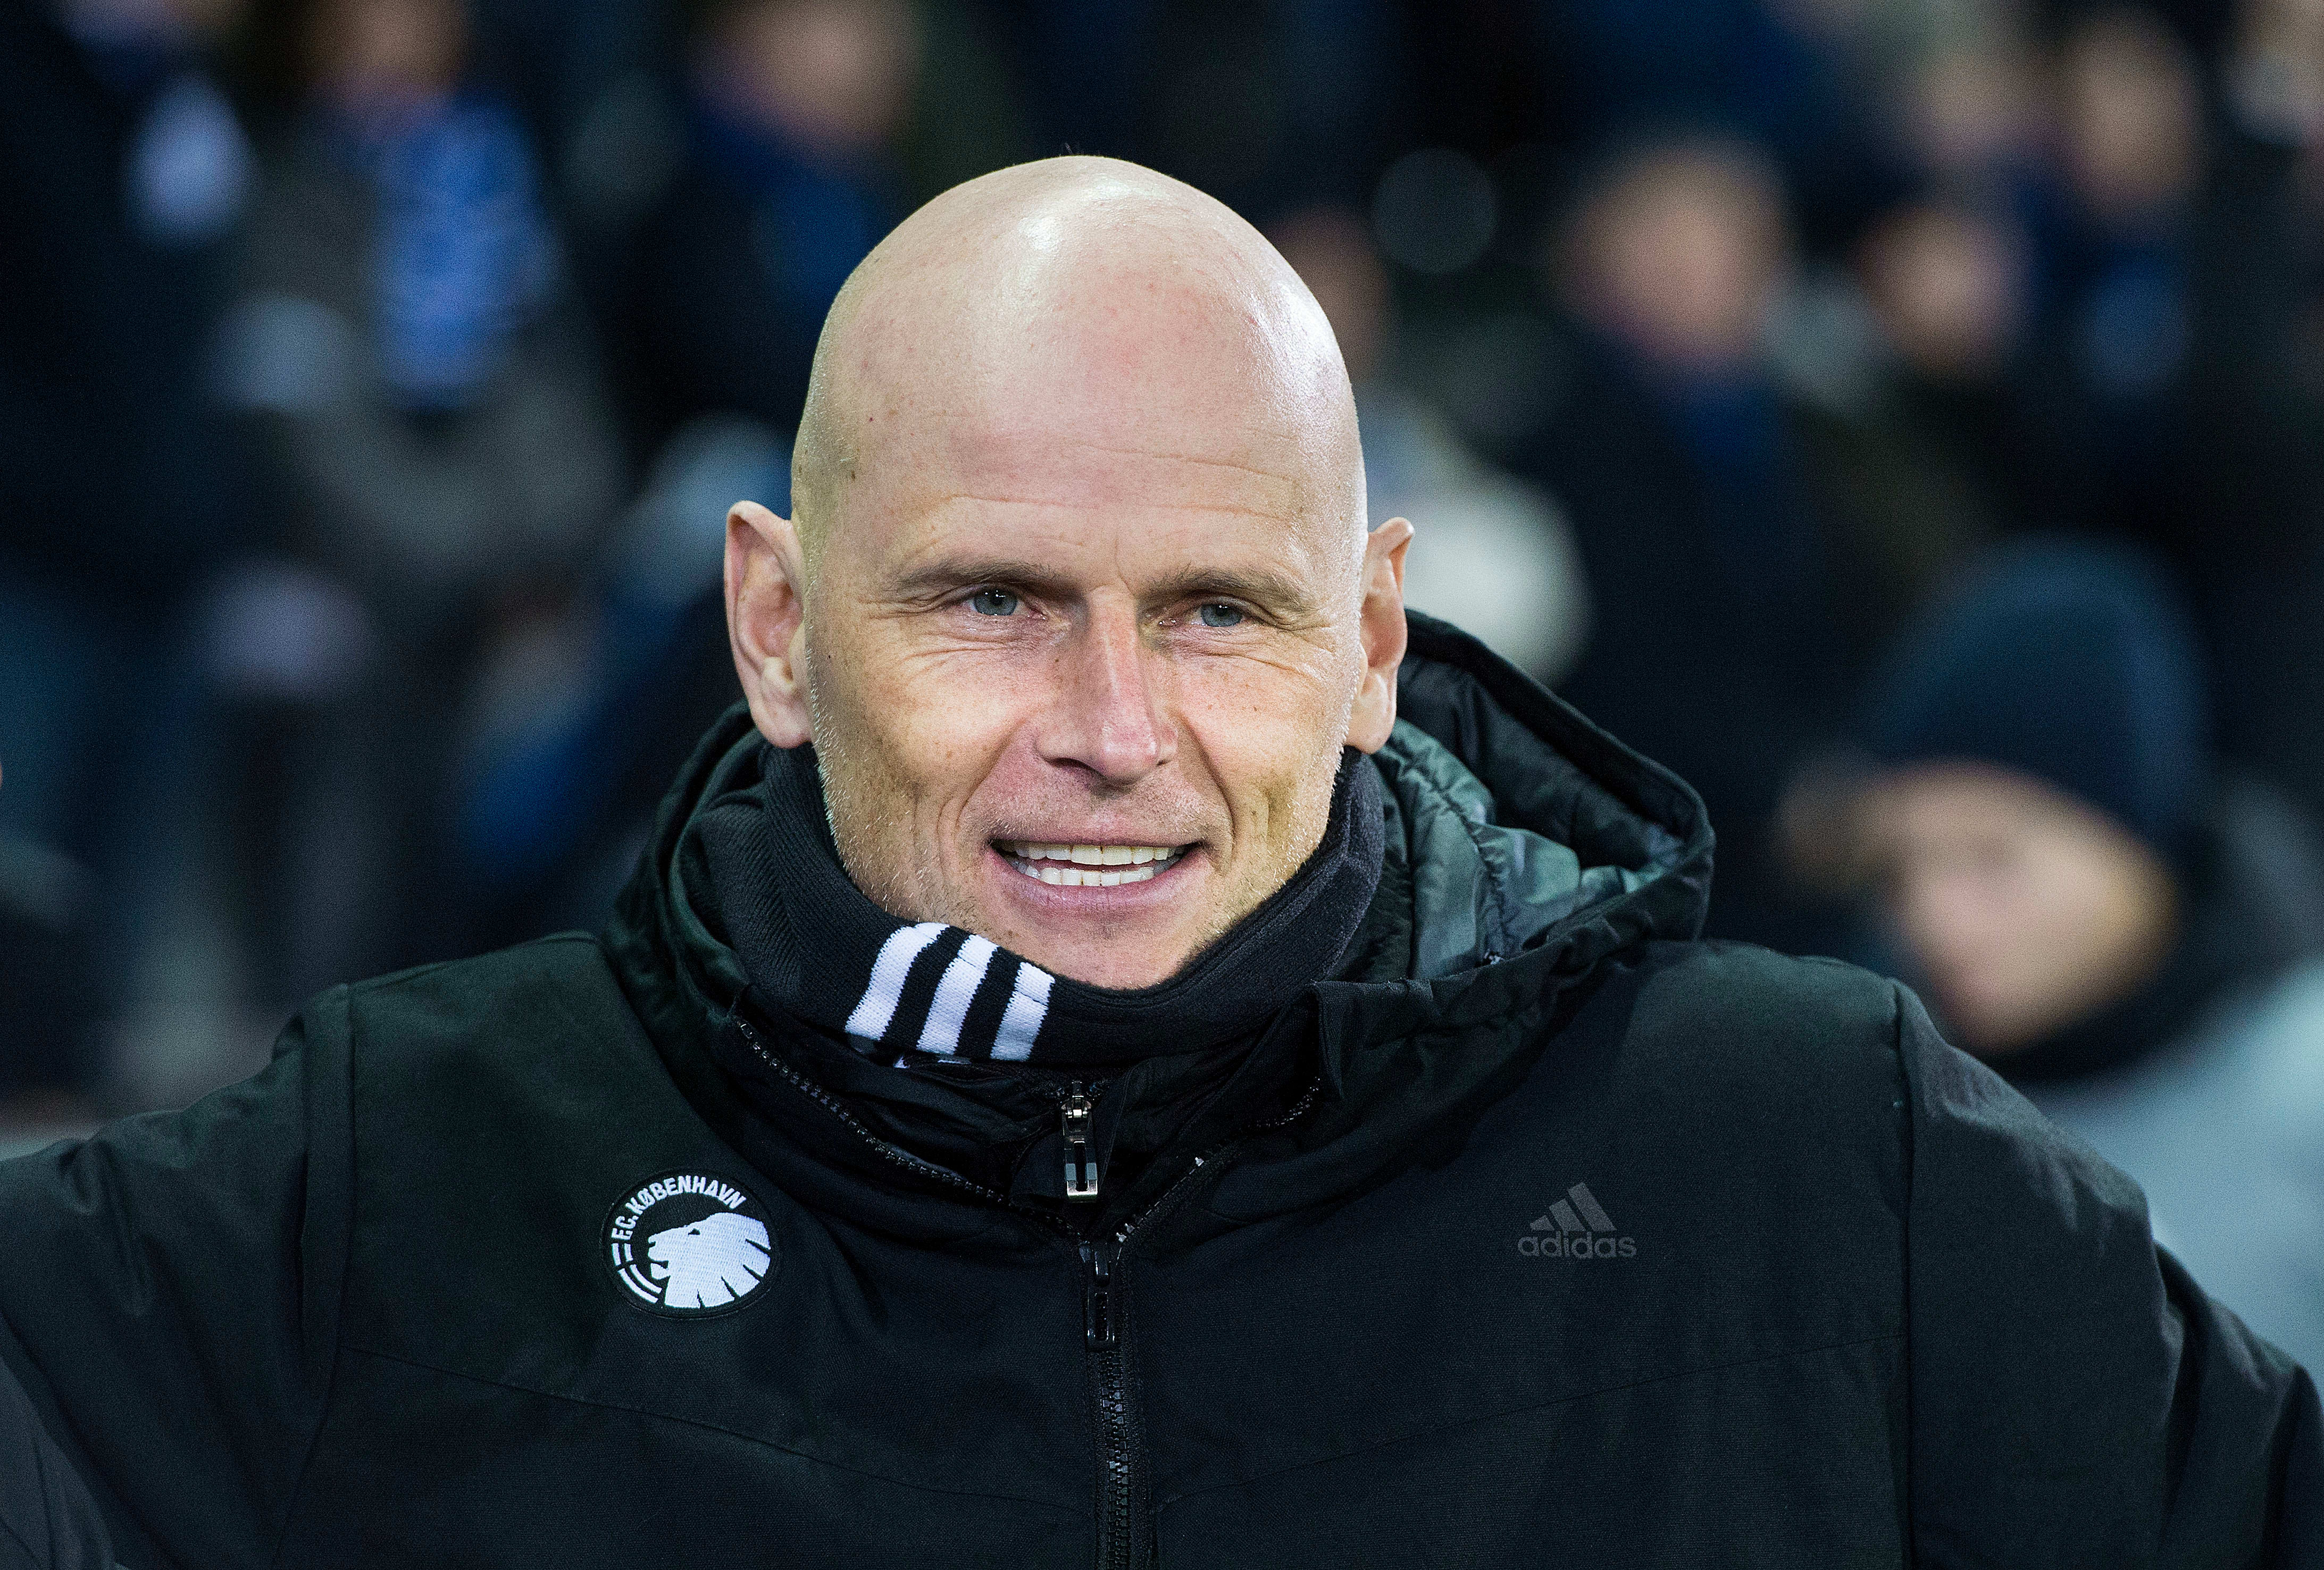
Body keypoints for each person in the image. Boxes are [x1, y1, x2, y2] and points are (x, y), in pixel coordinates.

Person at [0, 157, 2315, 1565]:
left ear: (1375, 643)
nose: (1114, 732)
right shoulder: (402, 1177)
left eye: (1218, 611)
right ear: (777, 628)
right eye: (992, 599)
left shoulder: (1813, 1159)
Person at [1843, 539, 2324, 1372]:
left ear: (2136, 840)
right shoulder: (1903, 1130)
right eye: (1898, 869)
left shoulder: (2302, 1081)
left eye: (1992, 856)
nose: (1934, 919)